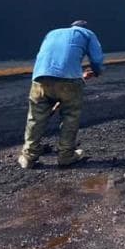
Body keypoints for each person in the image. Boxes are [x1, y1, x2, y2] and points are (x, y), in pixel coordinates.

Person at [17, 20, 104, 169]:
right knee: (70, 116)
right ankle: (66, 155)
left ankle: (29, 156)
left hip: (40, 78)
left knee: (35, 118)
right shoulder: (87, 34)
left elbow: (48, 56)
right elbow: (96, 60)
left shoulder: (53, 33)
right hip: (69, 82)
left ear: (71, 26)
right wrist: (96, 72)